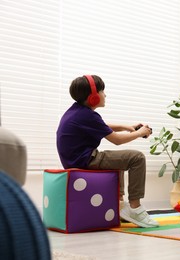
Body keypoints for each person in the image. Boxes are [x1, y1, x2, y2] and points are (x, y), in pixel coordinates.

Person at [56, 75, 159, 228]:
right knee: (136, 158)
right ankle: (135, 208)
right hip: (85, 160)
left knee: (119, 160)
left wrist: (127, 127)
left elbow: (101, 125)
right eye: (102, 91)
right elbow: (117, 140)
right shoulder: (87, 115)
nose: (105, 95)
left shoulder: (77, 111)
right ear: (92, 97)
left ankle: (120, 206)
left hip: (76, 159)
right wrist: (139, 133)